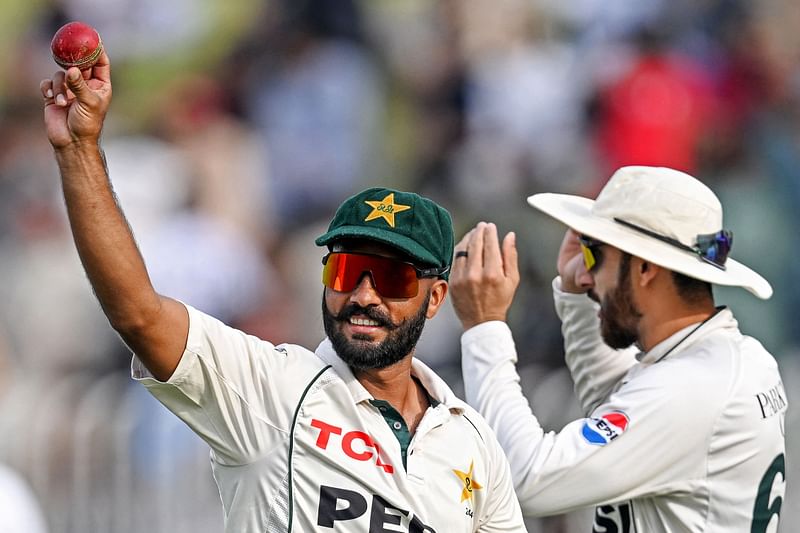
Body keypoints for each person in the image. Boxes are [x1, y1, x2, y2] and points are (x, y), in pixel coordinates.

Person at [40, 52, 525, 532]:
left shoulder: (472, 442)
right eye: (347, 270)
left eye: (393, 279)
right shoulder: (272, 388)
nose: (363, 296)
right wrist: (79, 149)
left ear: (436, 297)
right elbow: (138, 314)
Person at [450, 166, 787, 531]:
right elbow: (616, 401)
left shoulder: (692, 387)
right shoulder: (727, 360)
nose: (584, 273)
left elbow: (524, 478)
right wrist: (576, 295)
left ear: (645, 268)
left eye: (594, 254)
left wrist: (484, 327)